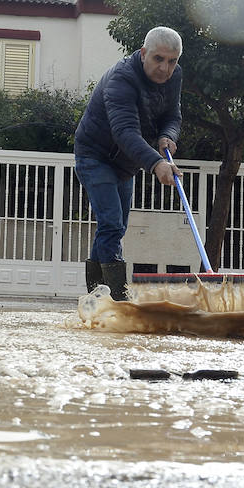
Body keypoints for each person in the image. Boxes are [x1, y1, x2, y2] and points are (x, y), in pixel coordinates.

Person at [73, 25, 185, 301]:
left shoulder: (174, 77)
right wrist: (157, 163)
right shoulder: (121, 79)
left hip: (126, 162)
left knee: (117, 226)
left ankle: (96, 300)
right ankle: (117, 299)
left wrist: (167, 136)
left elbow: (173, 115)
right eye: (158, 59)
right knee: (111, 223)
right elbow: (124, 132)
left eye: (172, 61)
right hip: (95, 155)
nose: (165, 68)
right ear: (144, 53)